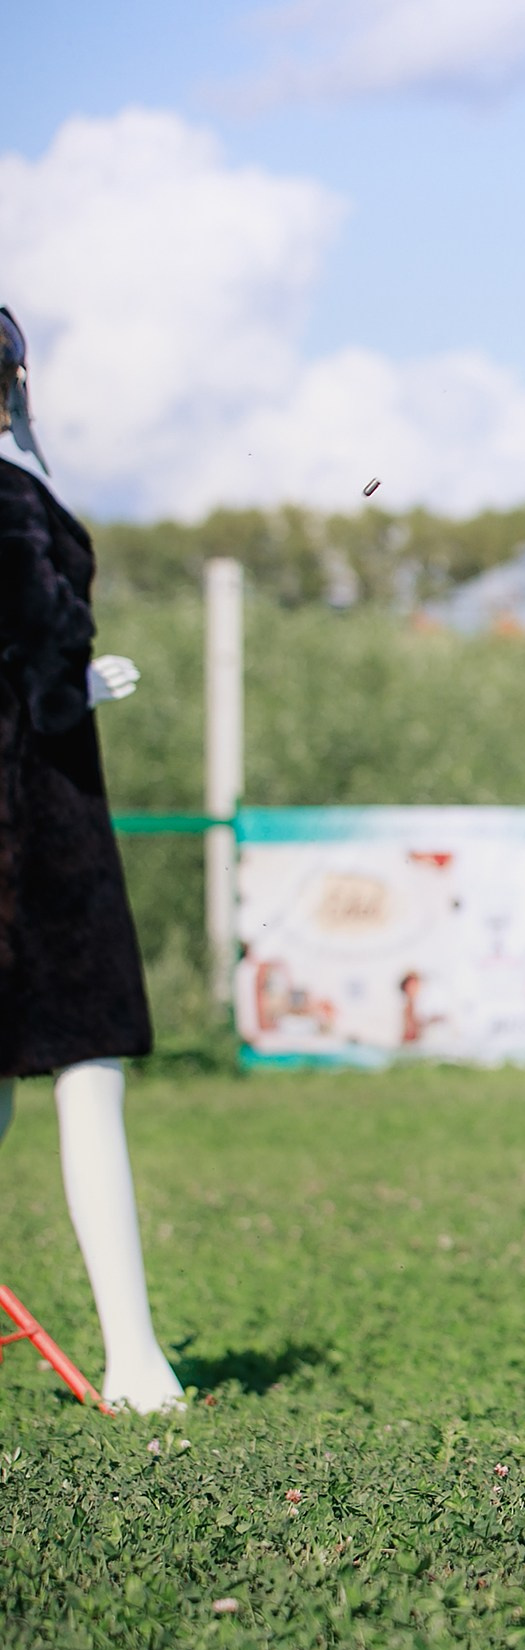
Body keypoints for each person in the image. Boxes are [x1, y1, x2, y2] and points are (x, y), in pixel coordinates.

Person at [0, 305, 187, 1413]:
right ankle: (134, 1357)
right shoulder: (15, 493)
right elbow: (40, 646)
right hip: (39, 819)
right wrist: (80, 684)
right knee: (86, 1074)